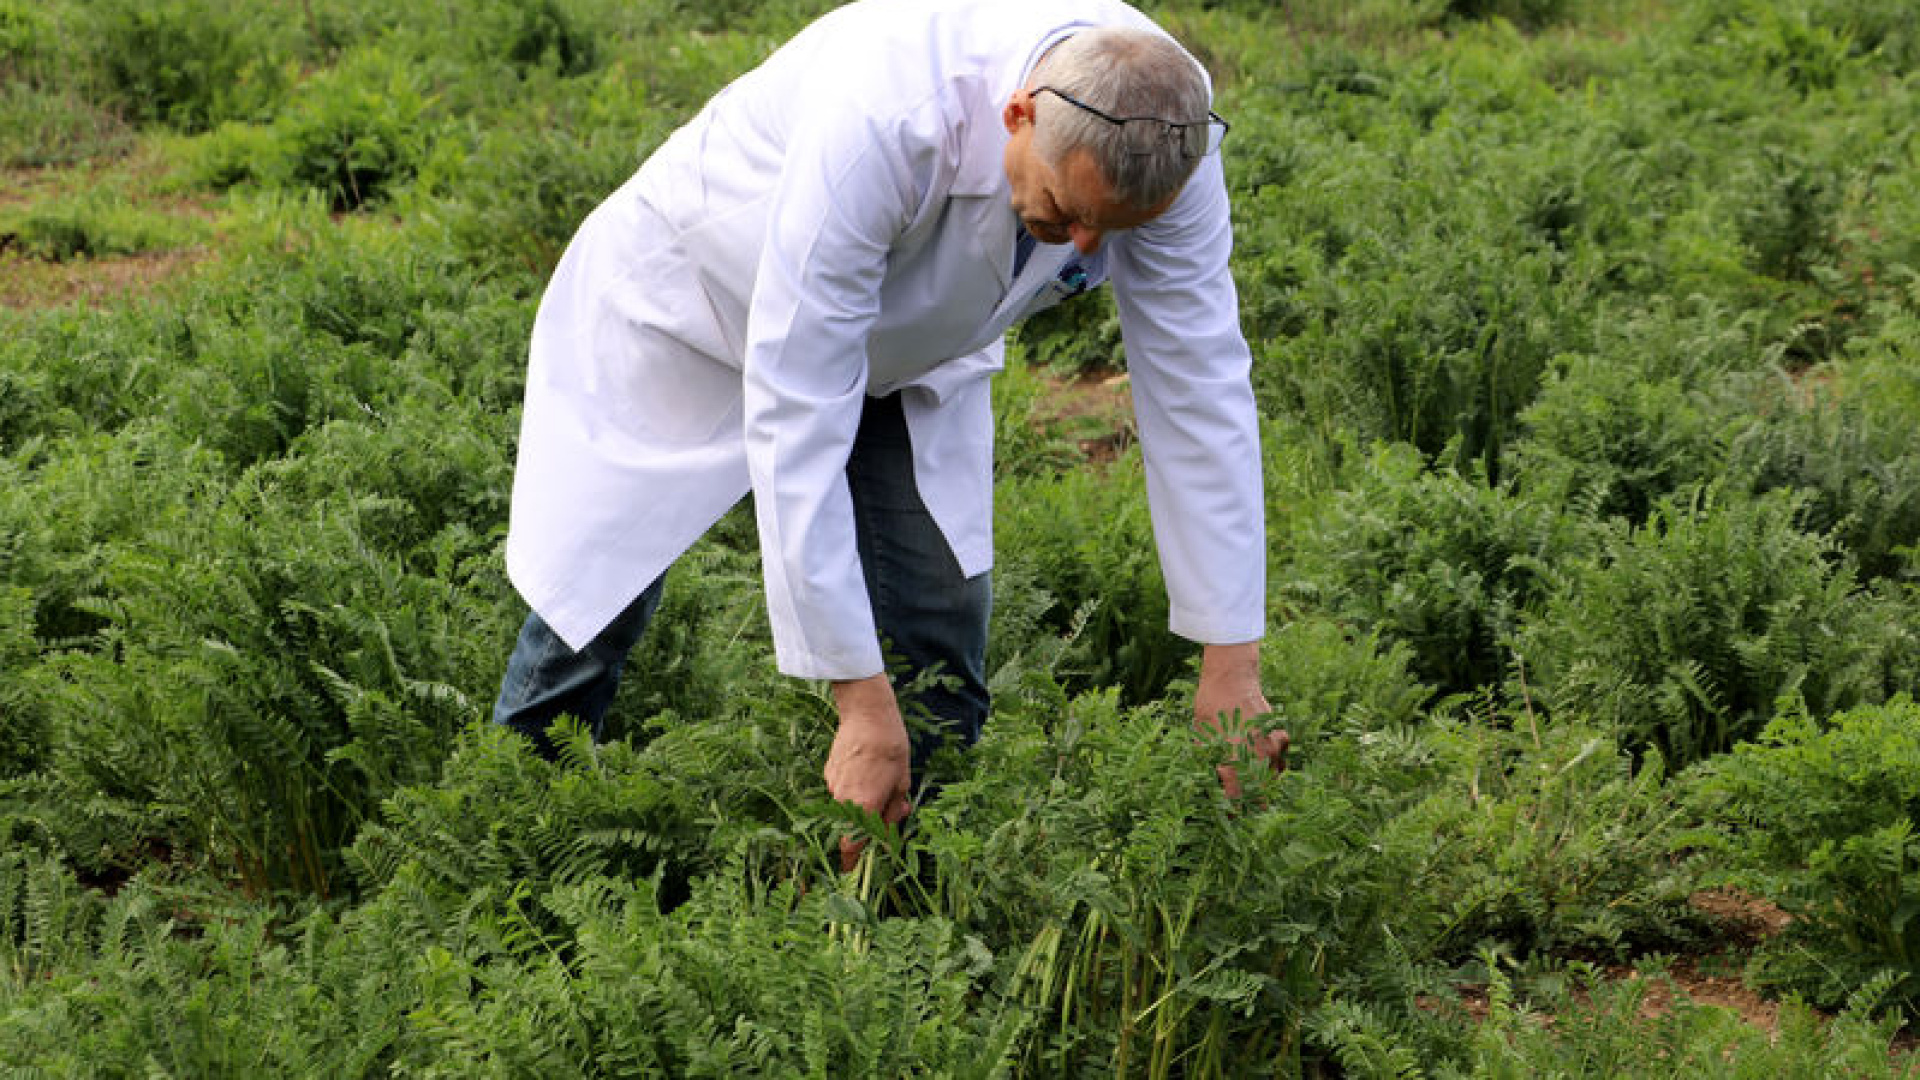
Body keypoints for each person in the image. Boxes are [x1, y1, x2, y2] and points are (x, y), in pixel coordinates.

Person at [492, 0, 1285, 853]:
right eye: (1066, 209)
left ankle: (913, 898)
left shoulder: (1167, 137)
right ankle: (506, 827)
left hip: (912, 346)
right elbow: (802, 406)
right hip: (699, 303)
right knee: (600, 596)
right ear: (1018, 113)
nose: (1087, 250)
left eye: (1113, 231)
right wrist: (858, 703)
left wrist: (1230, 667)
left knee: (939, 620)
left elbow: (1199, 385)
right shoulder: (886, 114)